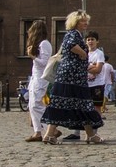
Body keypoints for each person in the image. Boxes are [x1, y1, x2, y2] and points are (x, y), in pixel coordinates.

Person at [40, 10, 104, 145]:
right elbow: (70, 46)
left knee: (71, 104)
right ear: (75, 22)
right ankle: (90, 135)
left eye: (86, 20)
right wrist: (83, 54)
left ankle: (50, 135)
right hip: (72, 77)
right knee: (81, 103)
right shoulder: (73, 34)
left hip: (73, 76)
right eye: (82, 21)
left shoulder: (77, 35)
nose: (85, 23)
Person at [64, 30, 106, 140]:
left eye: (92, 39)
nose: (90, 41)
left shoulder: (99, 54)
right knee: (81, 108)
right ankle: (76, 133)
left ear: (97, 41)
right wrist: (90, 67)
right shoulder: (83, 52)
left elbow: (98, 69)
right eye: (88, 39)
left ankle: (94, 132)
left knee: (95, 108)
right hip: (84, 85)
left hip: (96, 85)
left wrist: (88, 67)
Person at [25, 20, 55, 142]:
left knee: (37, 104)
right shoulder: (40, 44)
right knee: (32, 105)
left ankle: (50, 127)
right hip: (35, 77)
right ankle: (37, 131)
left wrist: (33, 57)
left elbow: (44, 62)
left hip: (41, 78)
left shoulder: (44, 44)